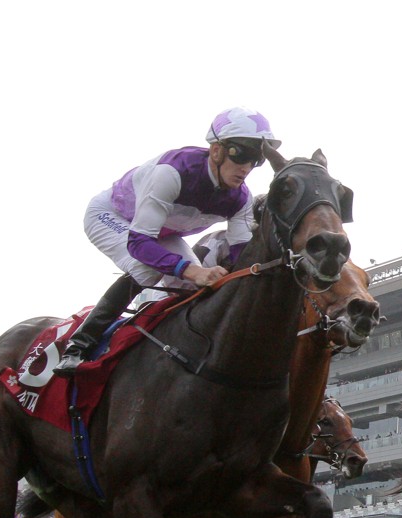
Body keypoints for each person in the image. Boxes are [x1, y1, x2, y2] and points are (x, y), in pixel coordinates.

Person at [55, 107, 281, 376]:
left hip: (161, 232)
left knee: (196, 287)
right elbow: (139, 244)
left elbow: (242, 256)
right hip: (111, 216)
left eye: (257, 159)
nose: (246, 167)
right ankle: (78, 346)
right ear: (216, 150)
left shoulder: (241, 199)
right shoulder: (172, 172)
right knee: (149, 269)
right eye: (241, 153)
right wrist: (193, 270)